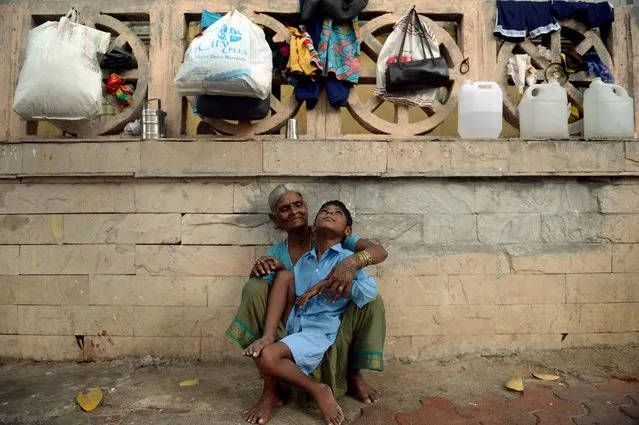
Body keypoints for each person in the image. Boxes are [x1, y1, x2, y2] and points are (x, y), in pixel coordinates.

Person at [225, 185, 387, 424]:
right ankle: (271, 390)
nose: (294, 212)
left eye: (298, 205)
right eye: (284, 209)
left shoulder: (332, 238)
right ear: (275, 219)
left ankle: (352, 375)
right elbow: (270, 293)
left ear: (307, 208)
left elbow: (379, 252)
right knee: (258, 286)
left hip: (325, 323)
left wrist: (352, 263)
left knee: (373, 300)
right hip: (292, 319)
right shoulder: (284, 254)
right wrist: (260, 272)